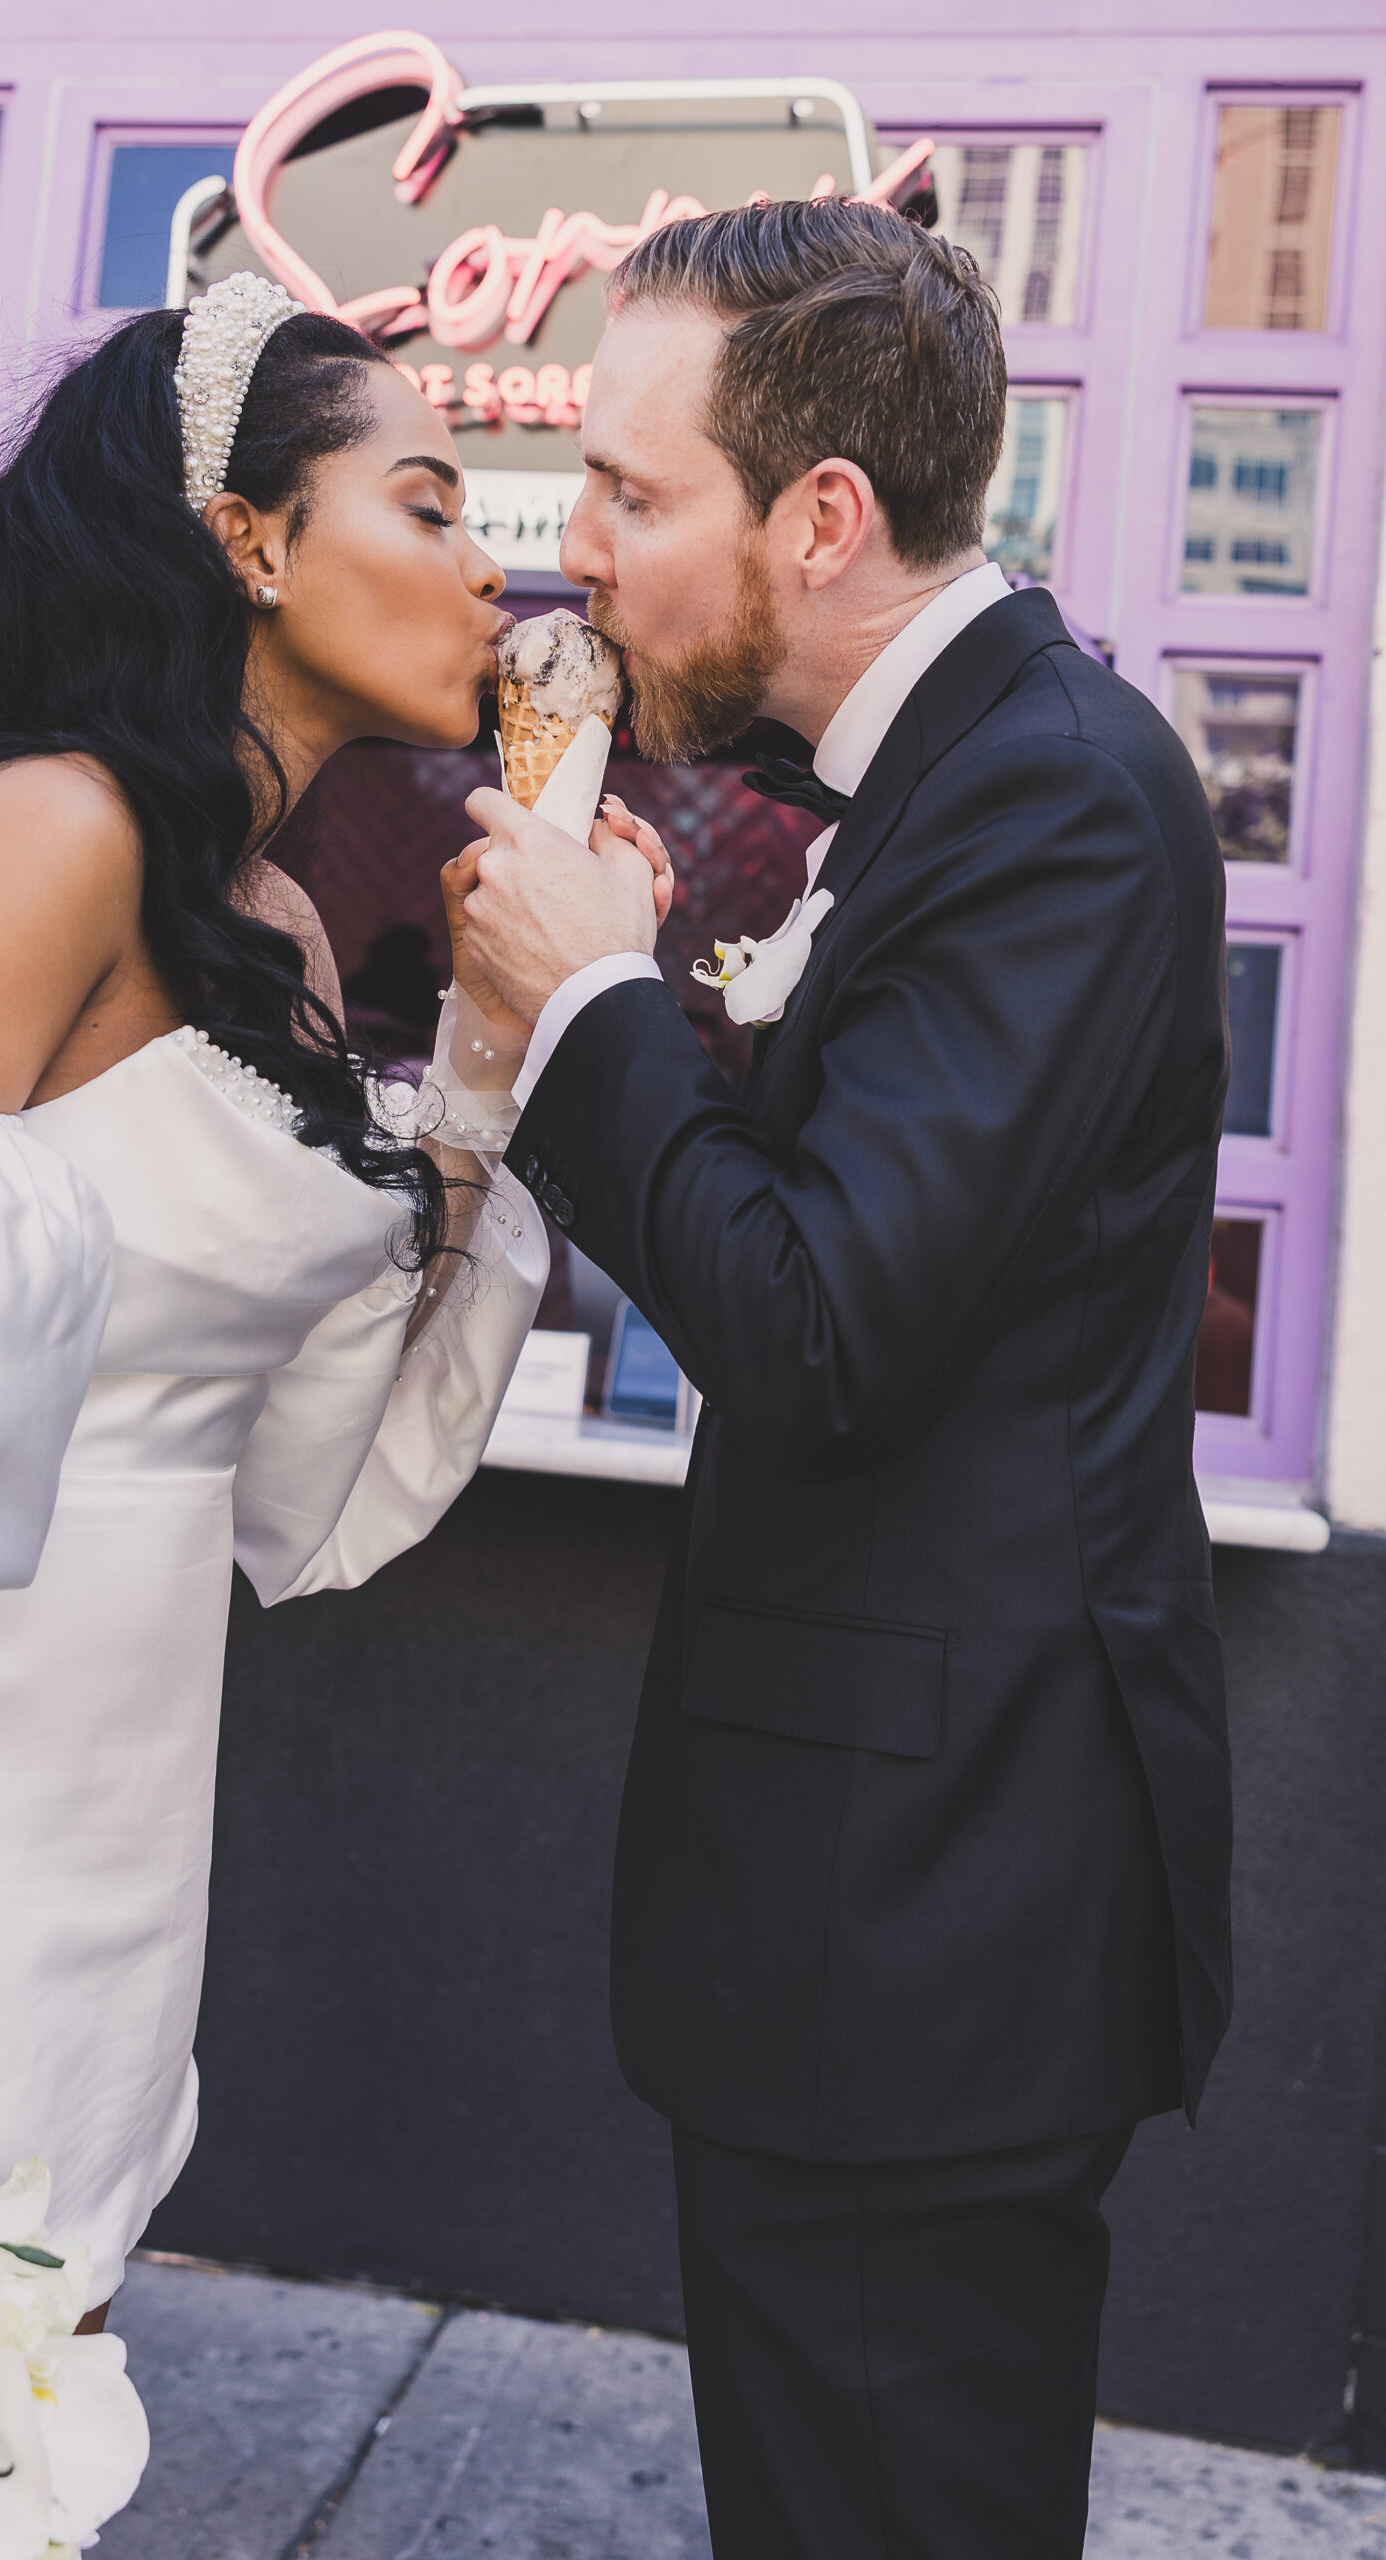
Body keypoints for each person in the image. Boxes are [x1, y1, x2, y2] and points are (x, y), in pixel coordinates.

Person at [0, 274, 666, 2364]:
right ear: (246, 536)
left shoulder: (282, 929)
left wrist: (503, 1048)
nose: (483, 565)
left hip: (120, 1813)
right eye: (420, 498)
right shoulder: (48, 838)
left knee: (28, 2406)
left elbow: (292, 1473)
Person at [462, 200, 1232, 2560]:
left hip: (925, 1915)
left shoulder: (1053, 794)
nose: (571, 553)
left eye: (627, 489)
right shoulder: (930, 787)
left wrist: (596, 1012)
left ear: (817, 517)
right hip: (871, 1899)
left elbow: (813, 1329)